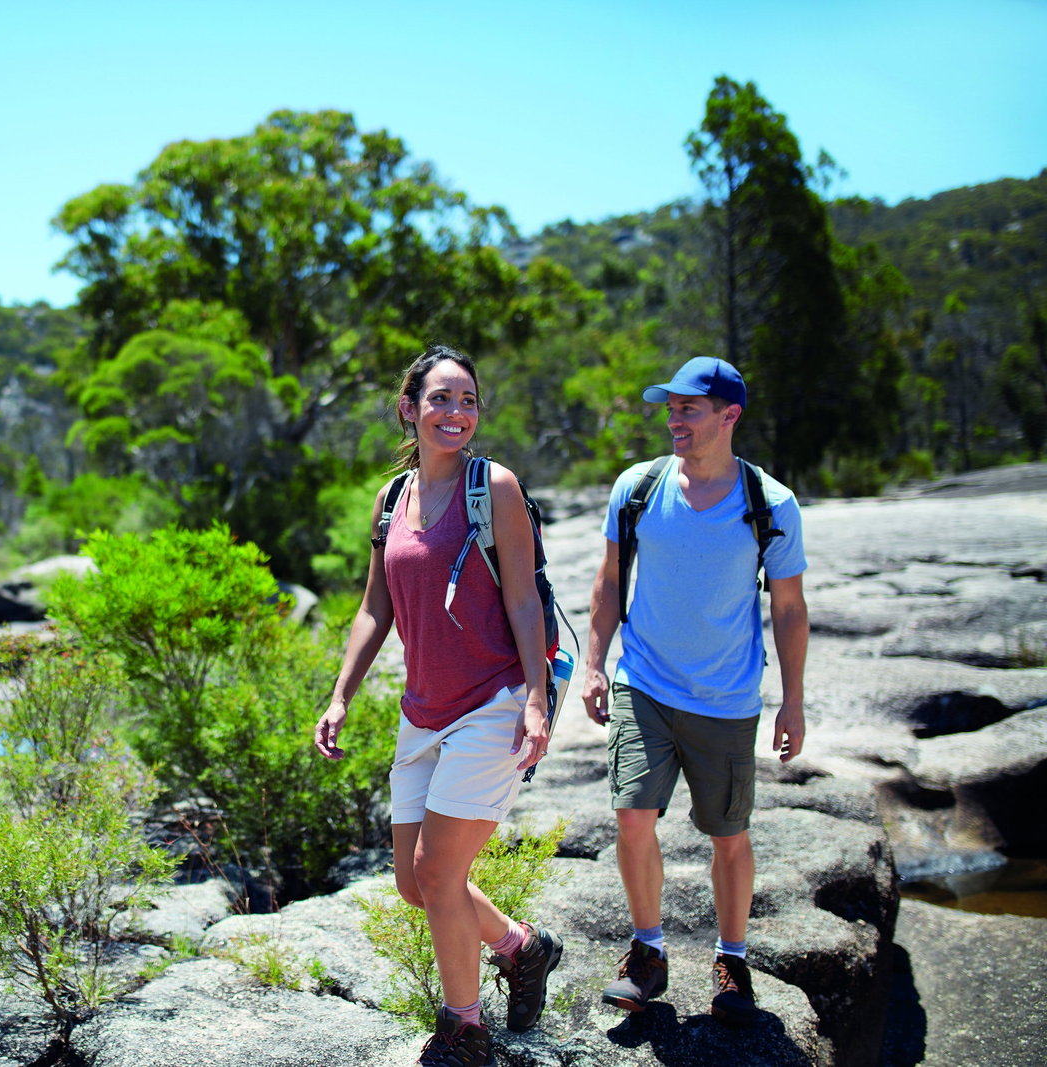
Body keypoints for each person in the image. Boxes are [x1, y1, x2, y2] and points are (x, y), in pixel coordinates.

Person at [314, 344, 564, 1067]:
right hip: (422, 711)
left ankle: (465, 1029)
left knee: (437, 870)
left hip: (493, 702)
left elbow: (525, 600)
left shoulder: (496, 488)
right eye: (441, 399)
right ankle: (523, 947)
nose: (456, 412)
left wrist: (536, 698)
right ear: (409, 408)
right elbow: (375, 608)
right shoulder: (391, 500)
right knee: (412, 881)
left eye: (468, 400)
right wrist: (340, 695)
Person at [579, 356, 809, 1027]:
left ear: (729, 415)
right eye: (670, 407)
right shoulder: (639, 488)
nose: (674, 419)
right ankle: (647, 953)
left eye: (689, 408)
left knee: (728, 835)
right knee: (632, 815)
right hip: (645, 683)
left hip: (725, 698)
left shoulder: (771, 503)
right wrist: (594, 663)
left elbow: (788, 607)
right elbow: (609, 580)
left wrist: (793, 701)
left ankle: (732, 959)